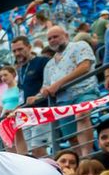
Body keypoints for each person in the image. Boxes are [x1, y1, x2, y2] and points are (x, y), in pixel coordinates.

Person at [40, 26, 98, 155]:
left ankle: (87, 157)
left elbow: (84, 67)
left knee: (81, 115)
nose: (52, 40)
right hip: (62, 102)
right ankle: (80, 162)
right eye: (49, 38)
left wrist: (58, 84)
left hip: (84, 92)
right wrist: (39, 94)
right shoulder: (49, 64)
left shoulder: (79, 46)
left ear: (66, 35)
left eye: (56, 36)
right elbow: (46, 86)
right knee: (71, 136)